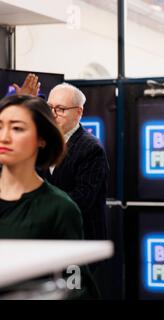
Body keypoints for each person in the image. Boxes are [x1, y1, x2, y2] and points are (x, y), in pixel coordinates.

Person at [0, 95, 98, 299]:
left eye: (17, 128)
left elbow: (76, 285)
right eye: (0, 126)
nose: (4, 137)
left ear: (42, 139)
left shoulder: (59, 208)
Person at [42, 82, 109, 241]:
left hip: (80, 242)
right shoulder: (42, 143)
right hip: (48, 242)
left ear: (79, 112)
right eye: (49, 107)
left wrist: (39, 206)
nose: (53, 114)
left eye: (60, 109)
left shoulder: (91, 149)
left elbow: (81, 200)